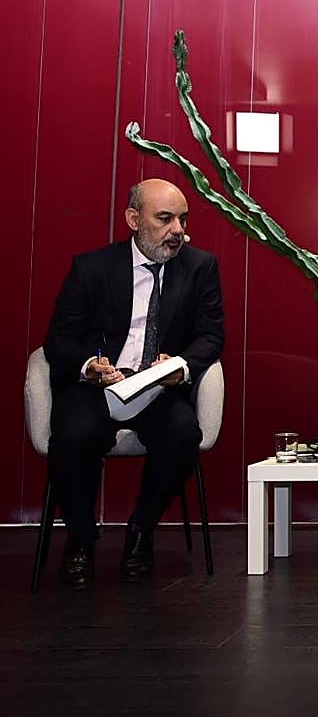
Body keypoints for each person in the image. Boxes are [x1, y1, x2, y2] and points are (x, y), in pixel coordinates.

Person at [44, 179, 224, 587]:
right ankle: (80, 540)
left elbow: (210, 336)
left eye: (183, 219)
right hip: (98, 387)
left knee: (183, 434)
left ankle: (142, 529)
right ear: (133, 219)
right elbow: (60, 339)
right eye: (165, 219)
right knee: (73, 436)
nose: (178, 230)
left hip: (157, 389)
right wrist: (90, 366)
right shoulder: (91, 268)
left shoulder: (200, 267)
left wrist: (180, 365)